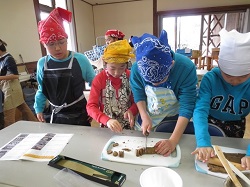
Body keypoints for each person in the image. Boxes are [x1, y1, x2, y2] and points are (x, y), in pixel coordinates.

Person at [130, 30, 197, 156]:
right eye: (150, 82)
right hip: (151, 113)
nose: (155, 85)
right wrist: (144, 115)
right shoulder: (136, 69)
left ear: (171, 65)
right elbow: (138, 93)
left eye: (161, 80)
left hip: (175, 115)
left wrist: (173, 140)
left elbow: (187, 106)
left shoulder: (186, 68)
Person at [191, 28, 250, 169]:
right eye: (228, 76)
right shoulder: (211, 79)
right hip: (210, 122)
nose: (234, 81)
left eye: (242, 77)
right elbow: (200, 111)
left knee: (231, 157)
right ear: (220, 66)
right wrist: (203, 141)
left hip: (236, 124)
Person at [34, 7, 95, 126]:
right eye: (51, 44)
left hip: (80, 112)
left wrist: (93, 107)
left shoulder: (80, 59)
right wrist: (39, 108)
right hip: (55, 114)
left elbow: (95, 84)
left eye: (61, 42)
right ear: (44, 45)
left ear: (67, 40)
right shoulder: (42, 63)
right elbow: (42, 89)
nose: (57, 48)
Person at [87, 40, 138, 132]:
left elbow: (138, 101)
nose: (116, 73)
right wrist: (106, 120)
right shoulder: (99, 79)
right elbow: (91, 106)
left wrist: (132, 111)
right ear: (105, 64)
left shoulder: (131, 77)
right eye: (112, 68)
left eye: (122, 67)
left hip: (130, 125)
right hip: (108, 126)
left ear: (127, 64)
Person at [0, 39, 38, 127]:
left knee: (8, 116)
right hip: (9, 88)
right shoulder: (2, 59)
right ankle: (37, 126)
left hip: (11, 88)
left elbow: (15, 76)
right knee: (24, 109)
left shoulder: (8, 59)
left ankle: (9, 135)